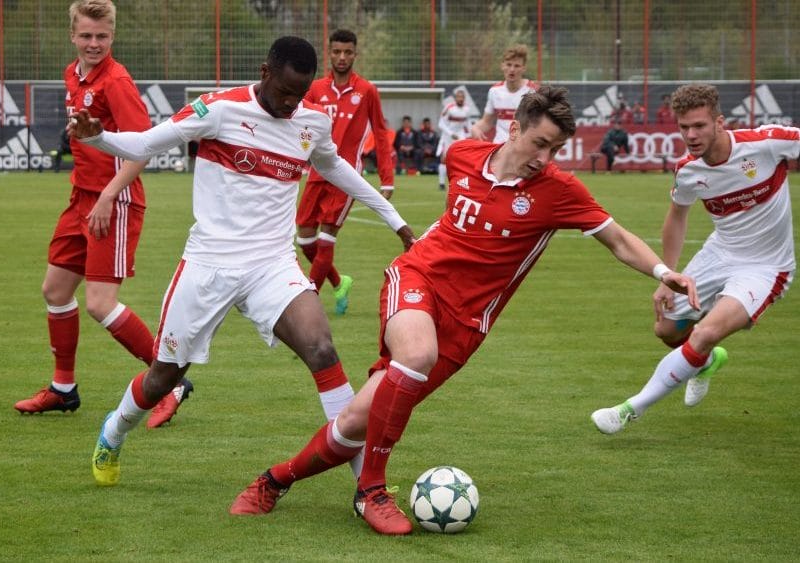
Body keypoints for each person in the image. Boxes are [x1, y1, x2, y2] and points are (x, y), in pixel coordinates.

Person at [229, 85, 698, 535]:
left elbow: (616, 239)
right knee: (415, 357)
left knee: (356, 421)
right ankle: (371, 489)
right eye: (540, 143)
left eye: (554, 149)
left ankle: (273, 480)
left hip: (467, 323)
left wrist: (662, 272)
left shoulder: (559, 191)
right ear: (515, 129)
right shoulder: (464, 155)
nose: (545, 158)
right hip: (417, 278)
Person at [66, 36, 416, 488]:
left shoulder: (311, 122)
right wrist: (98, 136)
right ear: (265, 72)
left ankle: (368, 485)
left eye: (301, 94)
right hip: (208, 265)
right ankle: (114, 431)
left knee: (323, 349)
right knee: (163, 376)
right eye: (285, 92)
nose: (292, 104)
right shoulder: (218, 110)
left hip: (272, 264)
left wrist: (397, 222)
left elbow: (336, 168)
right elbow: (146, 144)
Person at [14, 0, 195, 421]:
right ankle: (63, 389)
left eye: (102, 36)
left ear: (112, 37)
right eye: (86, 35)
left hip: (113, 201)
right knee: (56, 292)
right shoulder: (72, 75)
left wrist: (109, 195)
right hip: (81, 198)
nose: (94, 43)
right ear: (73, 35)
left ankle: (173, 380)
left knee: (99, 303)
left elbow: (142, 149)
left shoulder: (116, 81)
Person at [591, 83, 796, 434]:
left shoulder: (766, 142)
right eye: (684, 127)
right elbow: (677, 217)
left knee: (703, 333)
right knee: (667, 329)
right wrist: (667, 276)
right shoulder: (688, 170)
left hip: (765, 267)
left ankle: (628, 410)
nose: (691, 134)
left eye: (699, 125)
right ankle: (704, 363)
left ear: (719, 122)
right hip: (720, 252)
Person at [297, 29, 396, 316]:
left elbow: (380, 132)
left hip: (346, 175)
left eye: (348, 52)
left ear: (355, 53)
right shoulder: (315, 89)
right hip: (317, 172)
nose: (342, 57)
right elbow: (303, 126)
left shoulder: (367, 90)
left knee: (327, 238)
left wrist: (387, 179)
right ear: (330, 53)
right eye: (337, 52)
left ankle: (309, 300)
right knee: (305, 238)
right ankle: (340, 283)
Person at [470, 44, 538, 144]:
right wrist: (476, 128)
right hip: (500, 147)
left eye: (517, 66)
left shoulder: (532, 91)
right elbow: (487, 122)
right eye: (509, 64)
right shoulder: (495, 91)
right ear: (502, 66)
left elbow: (539, 124)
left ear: (523, 68)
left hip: (523, 149)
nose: (512, 69)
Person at [435, 86, 470, 191]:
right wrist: (451, 134)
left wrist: (469, 135)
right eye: (458, 97)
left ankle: (461, 181)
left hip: (460, 136)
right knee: (444, 159)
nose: (460, 99)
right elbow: (441, 123)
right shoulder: (449, 108)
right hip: (448, 136)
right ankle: (441, 183)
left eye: (462, 97)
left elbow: (467, 123)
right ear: (455, 98)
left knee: (463, 159)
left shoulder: (467, 109)